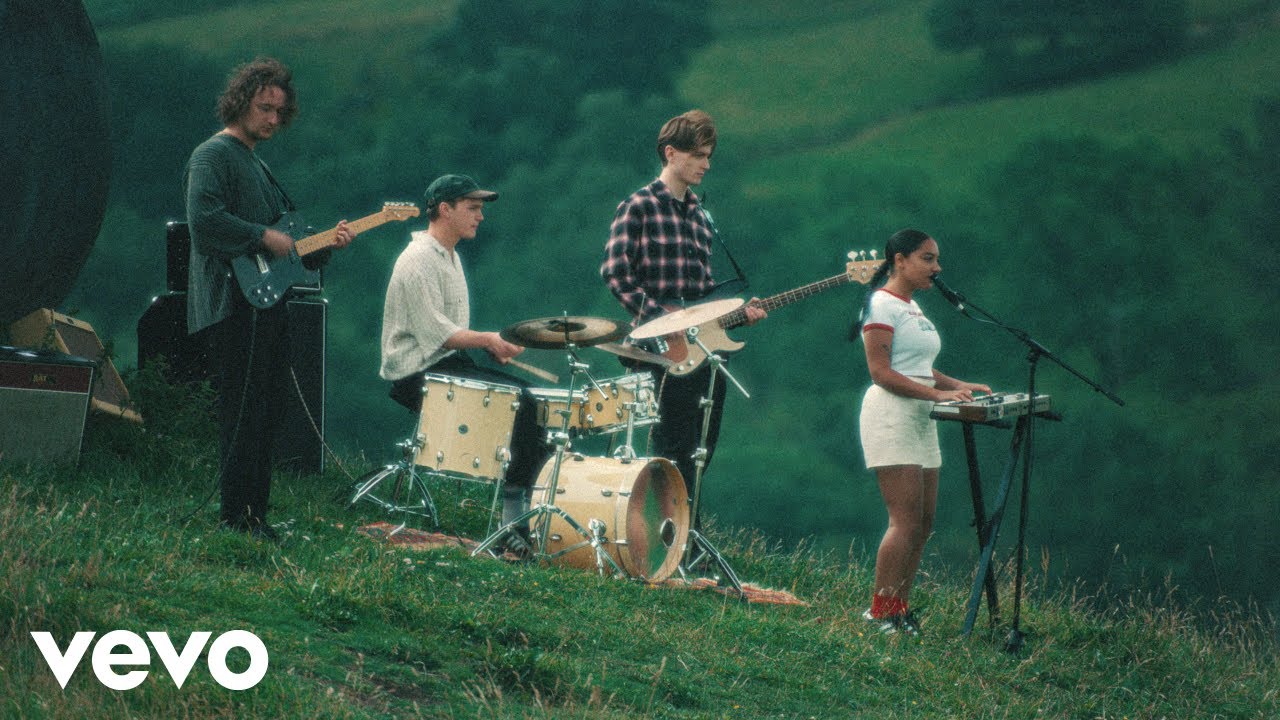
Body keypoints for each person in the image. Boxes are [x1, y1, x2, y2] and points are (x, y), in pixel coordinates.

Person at [185, 57, 353, 541]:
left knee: (267, 410)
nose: (273, 120)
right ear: (239, 102)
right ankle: (236, 518)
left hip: (263, 302)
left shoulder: (256, 164)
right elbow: (205, 224)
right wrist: (262, 236)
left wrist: (322, 246)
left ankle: (256, 516)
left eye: (280, 112)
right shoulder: (212, 156)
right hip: (233, 303)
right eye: (264, 108)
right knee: (243, 411)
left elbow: (291, 248)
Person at [600, 109, 766, 529]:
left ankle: (683, 538)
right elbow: (616, 275)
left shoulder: (701, 215)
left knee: (701, 448)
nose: (706, 165)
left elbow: (704, 293)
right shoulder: (637, 206)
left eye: (709, 156)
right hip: (659, 349)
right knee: (672, 445)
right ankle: (658, 535)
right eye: (698, 156)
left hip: (705, 348)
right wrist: (663, 321)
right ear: (671, 154)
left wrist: (737, 315)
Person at [380, 174, 547, 547]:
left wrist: (484, 346)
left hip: (447, 363)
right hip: (417, 374)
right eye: (472, 208)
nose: (480, 217)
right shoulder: (419, 260)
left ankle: (525, 518)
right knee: (524, 404)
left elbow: (449, 334)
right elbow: (437, 334)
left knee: (537, 403)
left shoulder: (449, 256)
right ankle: (511, 523)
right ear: (445, 209)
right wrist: (488, 338)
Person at [854, 228, 990, 635]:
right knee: (904, 520)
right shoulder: (880, 303)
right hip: (892, 413)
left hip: (920, 414)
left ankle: (899, 608)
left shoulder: (913, 308)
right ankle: (880, 612)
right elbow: (881, 373)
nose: (937, 268)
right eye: (927, 259)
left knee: (924, 522)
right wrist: (938, 397)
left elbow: (917, 367)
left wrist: (956, 386)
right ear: (900, 260)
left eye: (936, 259)